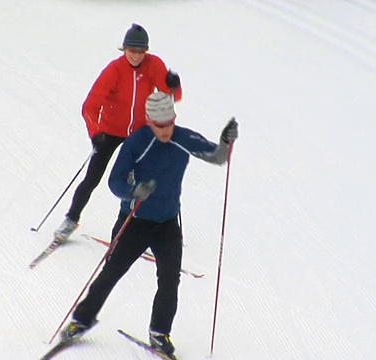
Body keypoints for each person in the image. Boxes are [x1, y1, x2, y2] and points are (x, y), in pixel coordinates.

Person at [58, 91, 239, 357]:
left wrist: (225, 142)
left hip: (167, 224)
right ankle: (81, 320)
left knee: (169, 280)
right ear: (149, 120)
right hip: (135, 221)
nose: (165, 130)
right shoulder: (135, 143)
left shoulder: (183, 137)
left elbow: (217, 157)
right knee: (111, 272)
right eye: (159, 124)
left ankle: (159, 333)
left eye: (169, 124)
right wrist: (134, 190)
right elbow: (115, 181)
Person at [53, 23, 183, 242]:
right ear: (124, 49)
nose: (136, 56)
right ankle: (70, 219)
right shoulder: (114, 70)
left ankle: (149, 229)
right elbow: (90, 106)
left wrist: (173, 85)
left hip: (140, 131)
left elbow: (173, 96)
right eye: (132, 50)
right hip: (109, 131)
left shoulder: (154, 65)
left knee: (149, 179)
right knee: (93, 177)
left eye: (141, 51)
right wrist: (96, 134)